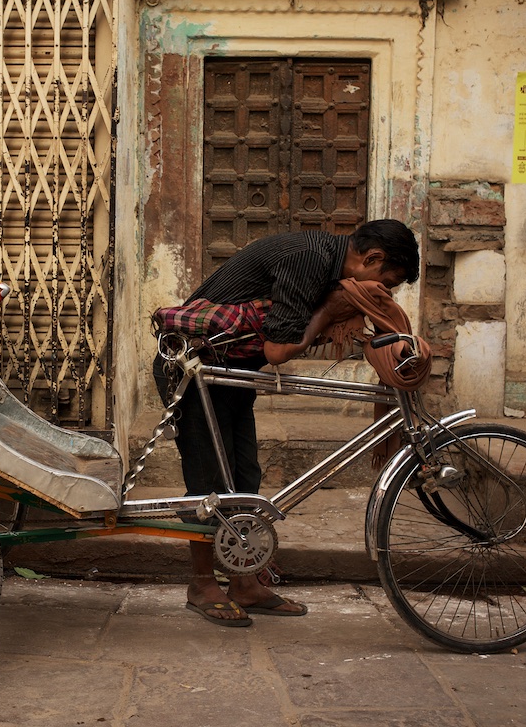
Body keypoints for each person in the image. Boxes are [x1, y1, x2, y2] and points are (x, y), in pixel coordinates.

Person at [153, 219, 421, 627]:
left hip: (231, 373)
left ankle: (243, 582)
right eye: (387, 281)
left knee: (245, 478)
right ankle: (201, 584)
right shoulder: (309, 259)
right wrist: (331, 309)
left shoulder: (329, 265)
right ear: (372, 258)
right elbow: (278, 350)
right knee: (208, 482)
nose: (384, 292)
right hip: (195, 372)